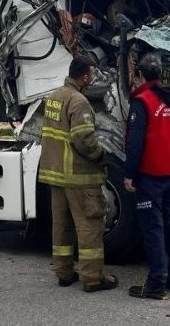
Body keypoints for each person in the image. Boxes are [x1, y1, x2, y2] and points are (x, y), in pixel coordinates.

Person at [38, 55, 119, 292]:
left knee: (61, 226)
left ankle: (64, 273)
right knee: (89, 226)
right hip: (77, 175)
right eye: (92, 74)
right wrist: (101, 156)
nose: (93, 78)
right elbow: (83, 139)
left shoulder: (54, 97)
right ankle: (92, 277)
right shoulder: (79, 101)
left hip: (56, 174)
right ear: (84, 76)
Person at [124, 52, 170, 299]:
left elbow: (135, 142)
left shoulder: (143, 102)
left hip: (150, 174)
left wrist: (129, 174)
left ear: (140, 75)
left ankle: (155, 285)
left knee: (153, 229)